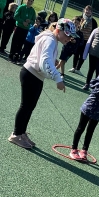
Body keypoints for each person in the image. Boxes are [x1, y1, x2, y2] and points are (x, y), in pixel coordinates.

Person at [8, 18, 79, 149]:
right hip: (31, 75)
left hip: (36, 76)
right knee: (26, 106)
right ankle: (16, 134)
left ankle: (21, 133)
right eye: (67, 35)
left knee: (30, 106)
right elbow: (44, 62)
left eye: (71, 36)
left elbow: (45, 58)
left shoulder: (52, 40)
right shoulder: (50, 40)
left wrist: (54, 60)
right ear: (58, 30)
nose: (69, 38)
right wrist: (58, 78)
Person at [69, 5, 97, 76]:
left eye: (90, 10)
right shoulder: (79, 18)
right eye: (87, 10)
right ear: (84, 10)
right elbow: (73, 26)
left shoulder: (93, 22)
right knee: (76, 53)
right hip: (78, 38)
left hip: (87, 41)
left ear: (91, 12)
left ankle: (78, 68)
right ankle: (73, 67)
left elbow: (94, 32)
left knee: (83, 55)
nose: (88, 11)